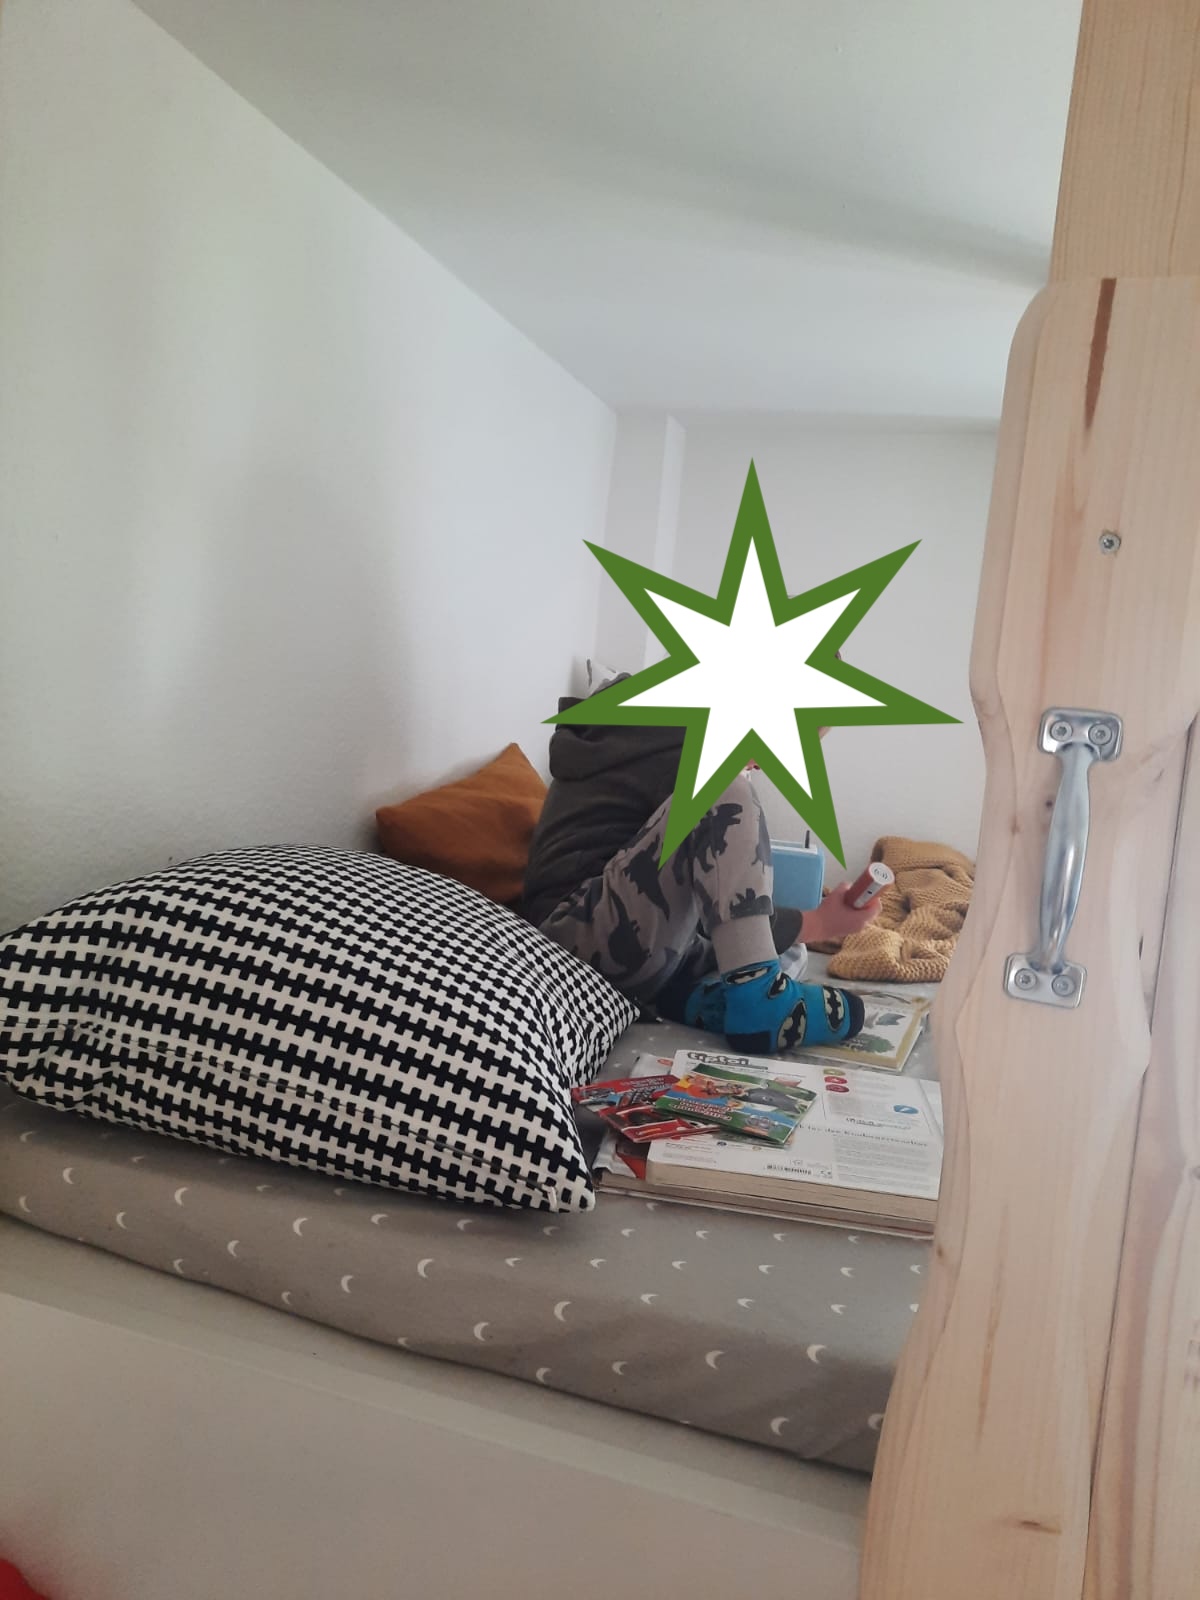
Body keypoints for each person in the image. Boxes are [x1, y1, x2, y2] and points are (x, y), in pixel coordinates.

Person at [521, 678, 881, 1056]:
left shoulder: (665, 734)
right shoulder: (681, 738)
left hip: (624, 937)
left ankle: (696, 998)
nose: (763, 766)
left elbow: (705, 893)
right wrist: (819, 923)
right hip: (569, 939)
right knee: (722, 793)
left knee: (785, 949)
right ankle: (760, 1004)